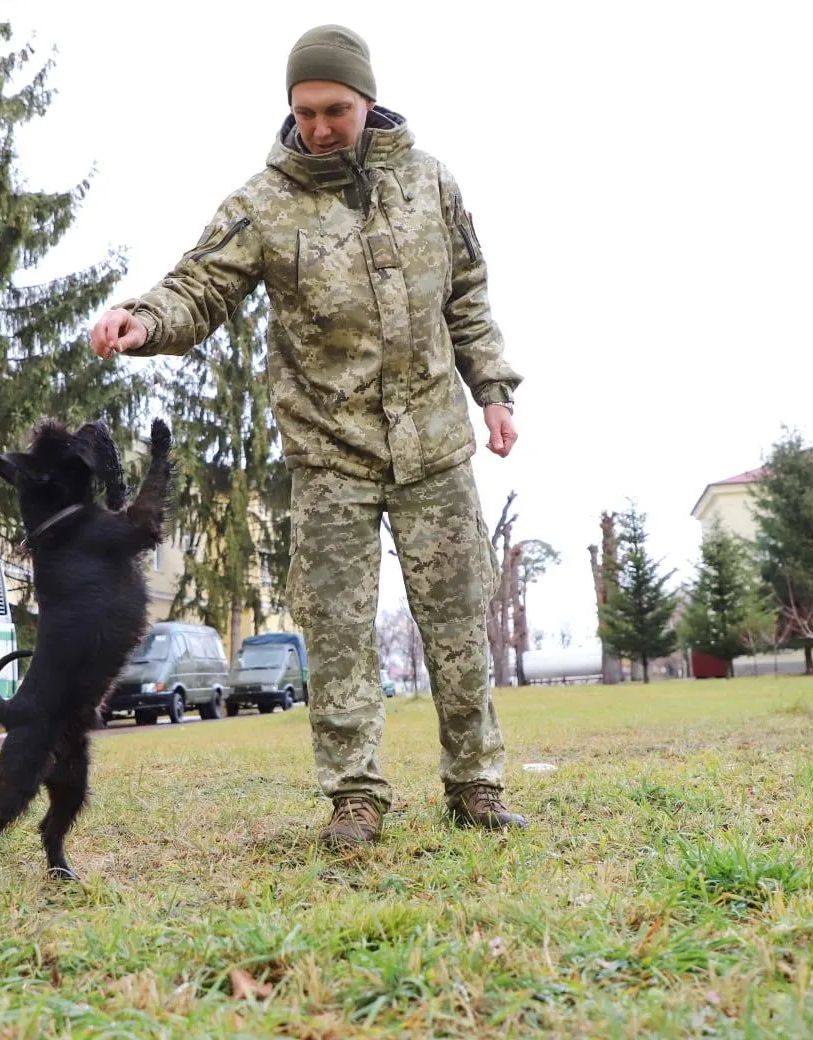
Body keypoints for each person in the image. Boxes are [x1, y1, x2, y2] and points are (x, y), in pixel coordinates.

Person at [89, 24, 527, 846]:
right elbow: (201, 283)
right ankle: (355, 796)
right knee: (335, 627)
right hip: (331, 451)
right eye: (305, 111)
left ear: (368, 99)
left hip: (434, 443)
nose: (321, 127)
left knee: (460, 621)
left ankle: (476, 786)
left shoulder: (432, 184)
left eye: (336, 109)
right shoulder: (266, 202)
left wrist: (493, 391)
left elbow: (467, 296)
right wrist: (142, 320)